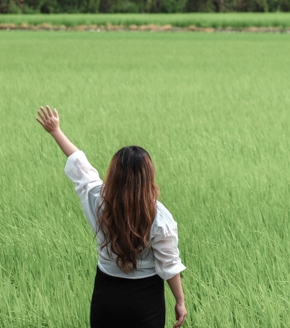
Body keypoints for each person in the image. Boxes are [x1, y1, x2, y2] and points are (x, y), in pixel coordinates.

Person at [36, 105, 188, 328]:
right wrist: (180, 301)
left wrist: (56, 131)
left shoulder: (98, 200)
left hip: (107, 295)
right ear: (148, 178)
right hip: (146, 300)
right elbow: (169, 264)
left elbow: (81, 166)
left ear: (114, 175)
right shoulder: (160, 217)